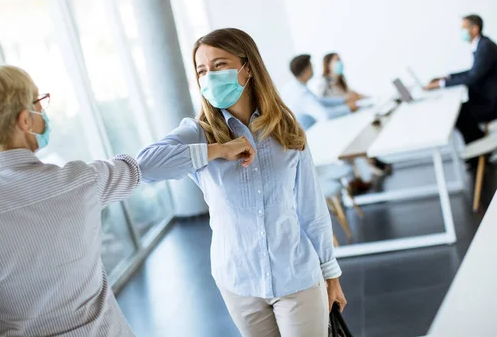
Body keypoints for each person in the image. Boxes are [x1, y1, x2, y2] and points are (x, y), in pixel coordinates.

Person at [137, 28, 347, 337]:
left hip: (297, 275)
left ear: (247, 67)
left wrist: (331, 275)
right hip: (238, 282)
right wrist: (219, 150)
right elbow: (144, 167)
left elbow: (311, 209)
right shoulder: (198, 133)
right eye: (202, 70)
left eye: (220, 64)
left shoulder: (285, 129)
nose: (210, 76)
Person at [0, 65, 141, 336]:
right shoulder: (80, 181)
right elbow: (132, 168)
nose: (43, 111)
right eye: (39, 102)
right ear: (25, 120)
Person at [425, 14, 497, 146]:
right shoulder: (482, 45)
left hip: (496, 103)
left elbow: (473, 77)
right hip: (493, 98)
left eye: (464, 28)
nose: (462, 32)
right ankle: (479, 152)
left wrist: (441, 84)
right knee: (462, 111)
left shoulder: (485, 47)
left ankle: (480, 152)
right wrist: (448, 77)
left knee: (459, 114)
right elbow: (474, 71)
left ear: (475, 29)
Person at [282, 54, 358, 126]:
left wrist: (344, 101)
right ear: (306, 70)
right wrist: (348, 107)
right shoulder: (302, 93)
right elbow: (325, 115)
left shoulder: (297, 87)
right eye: (311, 66)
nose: (313, 69)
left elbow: (319, 100)